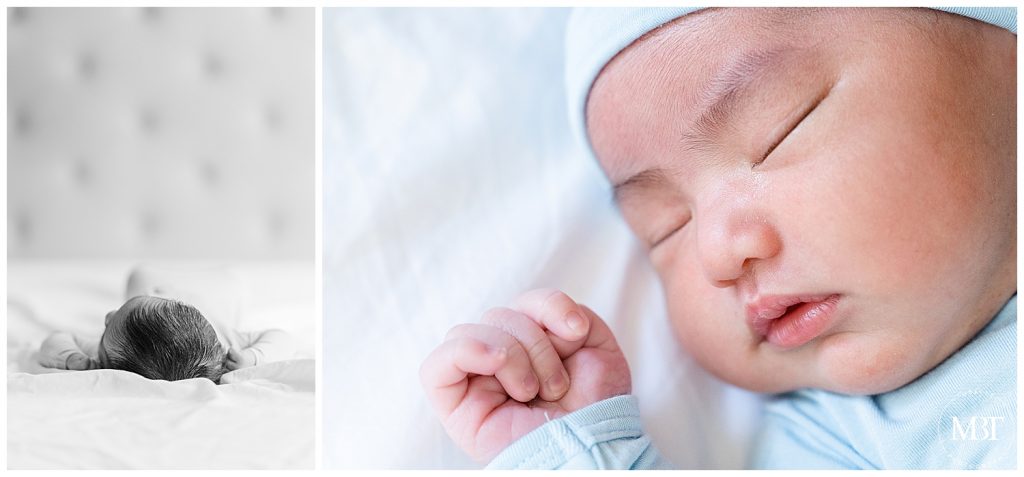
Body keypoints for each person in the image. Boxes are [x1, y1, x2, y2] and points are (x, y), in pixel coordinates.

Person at [420, 7, 1016, 469]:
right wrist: (578, 449)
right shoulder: (838, 441)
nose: (716, 253)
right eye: (664, 229)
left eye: (777, 132)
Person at [39, 264, 294, 383]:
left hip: (156, 285)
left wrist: (70, 357)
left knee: (140, 278)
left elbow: (57, 338)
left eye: (112, 320)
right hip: (218, 289)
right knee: (233, 284)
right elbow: (282, 338)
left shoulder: (103, 351)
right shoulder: (228, 347)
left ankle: (145, 296)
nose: (107, 316)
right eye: (114, 318)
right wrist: (252, 357)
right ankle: (145, 299)